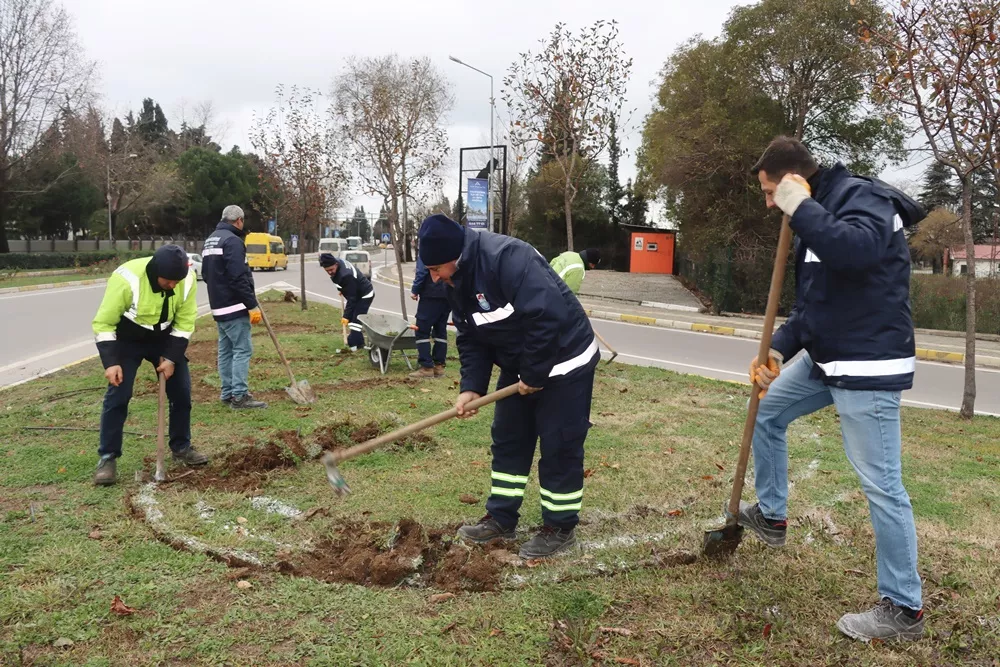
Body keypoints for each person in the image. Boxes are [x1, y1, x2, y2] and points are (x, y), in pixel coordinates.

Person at [742, 136, 924, 642]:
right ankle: (772, 516)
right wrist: (777, 349)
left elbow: (855, 252)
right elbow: (815, 305)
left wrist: (799, 205)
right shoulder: (811, 214)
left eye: (770, 191)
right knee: (766, 412)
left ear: (795, 179)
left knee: (882, 485)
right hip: (828, 357)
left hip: (868, 365)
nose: (768, 202)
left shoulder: (863, 200)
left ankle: (903, 608)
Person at [417, 214, 599, 560]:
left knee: (560, 444)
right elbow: (471, 336)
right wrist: (472, 387)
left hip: (566, 359)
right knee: (509, 438)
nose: (434, 277)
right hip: (522, 365)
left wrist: (534, 374)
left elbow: (547, 317)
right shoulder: (454, 282)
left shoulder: (508, 258)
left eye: (437, 268)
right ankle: (501, 518)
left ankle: (560, 528)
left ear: (457, 256)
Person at [91, 245, 207, 485]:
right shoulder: (127, 278)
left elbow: (185, 321)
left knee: (182, 392)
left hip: (164, 337)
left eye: (177, 281)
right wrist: (112, 363)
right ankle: (108, 457)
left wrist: (172, 357)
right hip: (129, 338)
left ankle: (181, 447)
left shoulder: (186, 280)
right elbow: (104, 323)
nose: (173, 285)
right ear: (155, 272)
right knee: (118, 395)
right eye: (168, 281)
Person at [202, 205, 267, 410]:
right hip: (234, 306)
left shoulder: (211, 239)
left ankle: (227, 392)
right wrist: (251, 304)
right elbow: (238, 277)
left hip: (218, 307)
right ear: (238, 220)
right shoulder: (233, 241)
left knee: (226, 351)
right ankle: (239, 396)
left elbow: (205, 274)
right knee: (242, 350)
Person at [319, 252, 374, 351]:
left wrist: (346, 316)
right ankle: (359, 344)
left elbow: (352, 299)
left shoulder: (346, 275)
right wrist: (342, 289)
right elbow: (344, 286)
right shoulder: (338, 263)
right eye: (327, 271)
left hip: (364, 294)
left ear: (336, 264)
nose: (330, 272)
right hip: (356, 292)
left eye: (331, 269)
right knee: (354, 320)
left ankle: (354, 344)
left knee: (356, 320)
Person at [409, 254, 449, 379]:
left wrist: (415, 290)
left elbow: (421, 272)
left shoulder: (429, 249)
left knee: (421, 331)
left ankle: (426, 367)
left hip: (430, 295)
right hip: (447, 295)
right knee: (440, 331)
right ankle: (439, 366)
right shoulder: (449, 247)